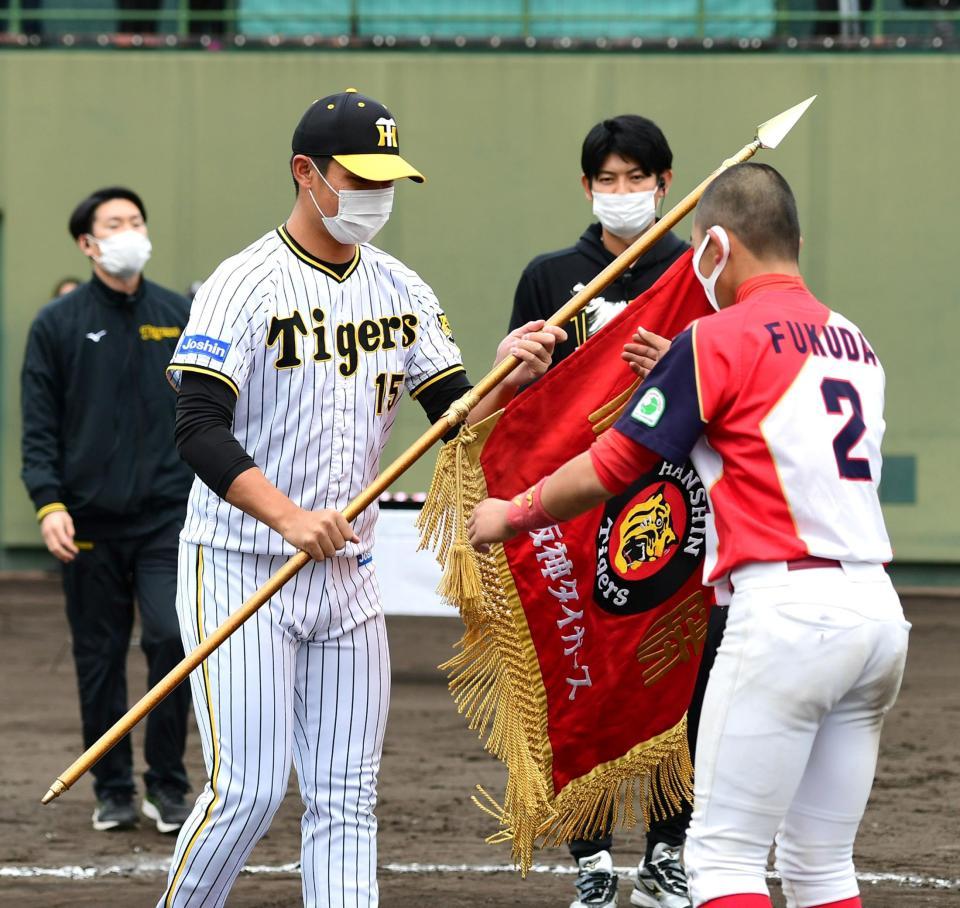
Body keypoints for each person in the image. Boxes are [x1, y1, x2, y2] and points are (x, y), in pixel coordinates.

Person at [157, 88, 563, 908]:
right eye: (360, 176)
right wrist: (288, 515)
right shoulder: (242, 284)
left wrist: (509, 375)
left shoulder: (400, 288)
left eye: (388, 179)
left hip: (347, 572)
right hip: (241, 565)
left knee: (347, 796)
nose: (376, 195)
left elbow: (454, 417)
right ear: (306, 174)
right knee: (249, 790)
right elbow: (198, 427)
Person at [469, 163, 909, 908]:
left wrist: (514, 513)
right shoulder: (853, 340)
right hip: (877, 615)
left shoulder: (712, 338)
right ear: (794, 241)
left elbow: (613, 464)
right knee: (822, 864)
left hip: (786, 613)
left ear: (713, 248)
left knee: (724, 862)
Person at [510, 114, 716, 908]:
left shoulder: (698, 276)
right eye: (608, 179)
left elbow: (736, 394)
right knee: (581, 676)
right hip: (576, 503)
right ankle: (591, 861)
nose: (623, 193)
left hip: (674, 505)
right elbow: (516, 410)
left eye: (638, 178)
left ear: (668, 184)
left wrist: (682, 369)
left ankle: (669, 852)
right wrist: (519, 370)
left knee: (680, 676)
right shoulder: (549, 274)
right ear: (586, 186)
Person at [21, 187, 195, 834]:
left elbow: (207, 413)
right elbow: (40, 428)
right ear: (86, 244)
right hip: (87, 523)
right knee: (97, 656)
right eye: (114, 224)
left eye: (137, 221)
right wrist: (49, 503)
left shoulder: (179, 314)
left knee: (172, 639)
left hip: (167, 520)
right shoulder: (56, 326)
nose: (130, 232)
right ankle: (113, 788)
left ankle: (168, 785)